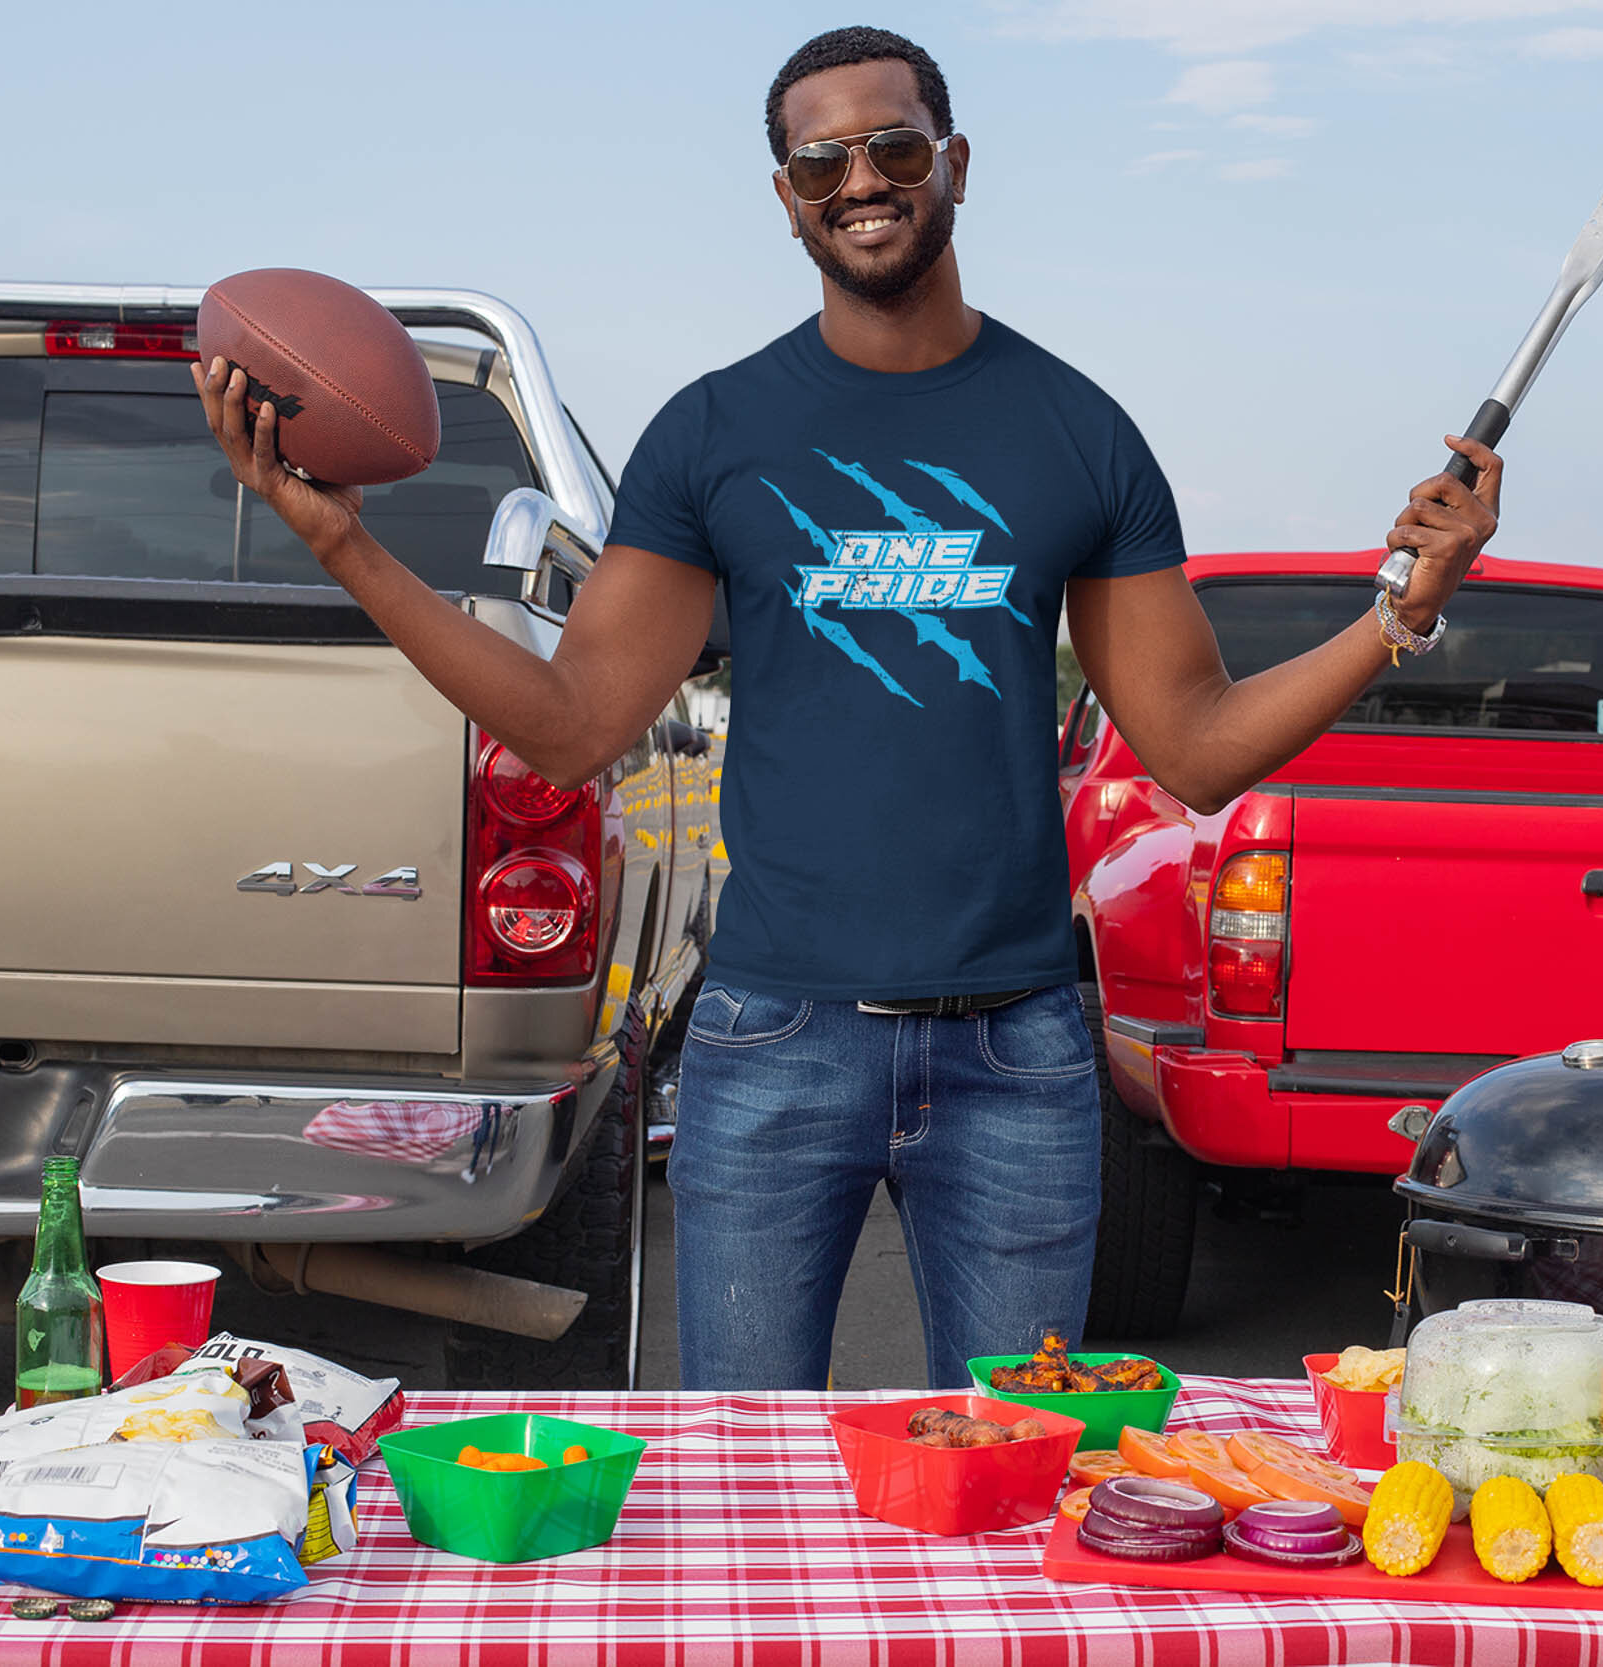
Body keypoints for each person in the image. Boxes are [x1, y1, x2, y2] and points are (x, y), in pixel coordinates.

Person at [194, 25, 1501, 1392]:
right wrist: (343, 544)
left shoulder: (1077, 433)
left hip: (1018, 1052)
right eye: (822, 161)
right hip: (777, 1039)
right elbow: (573, 727)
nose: (861, 181)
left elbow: (1195, 745)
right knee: (751, 1492)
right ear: (786, 196)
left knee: (1006, 1486)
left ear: (955, 163)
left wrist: (1397, 610)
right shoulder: (716, 435)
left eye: (892, 146)